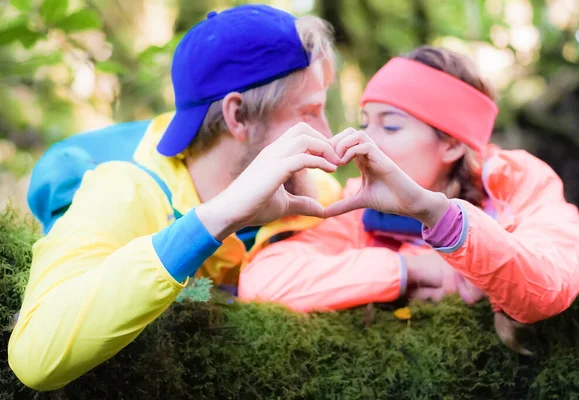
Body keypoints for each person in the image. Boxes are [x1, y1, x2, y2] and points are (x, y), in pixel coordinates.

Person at [8, 4, 341, 391]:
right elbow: (34, 357)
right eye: (310, 111)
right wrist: (215, 221)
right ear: (238, 116)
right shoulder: (125, 192)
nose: (326, 131)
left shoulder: (308, 186)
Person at [238, 46, 579, 338]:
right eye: (365, 123)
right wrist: (416, 269)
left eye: (391, 125)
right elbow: (263, 282)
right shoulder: (359, 205)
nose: (365, 140)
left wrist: (443, 222)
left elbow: (549, 284)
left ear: (452, 144)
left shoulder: (516, 181)